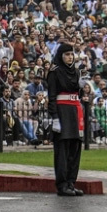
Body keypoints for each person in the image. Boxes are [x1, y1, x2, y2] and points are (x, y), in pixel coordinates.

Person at [46, 43, 84, 197]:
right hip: (62, 111)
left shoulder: (75, 72)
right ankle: (62, 184)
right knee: (62, 150)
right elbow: (52, 97)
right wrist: (54, 117)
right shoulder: (55, 72)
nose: (70, 57)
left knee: (75, 149)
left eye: (71, 54)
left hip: (75, 110)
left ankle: (71, 182)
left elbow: (77, 93)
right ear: (61, 56)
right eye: (67, 54)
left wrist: (81, 88)